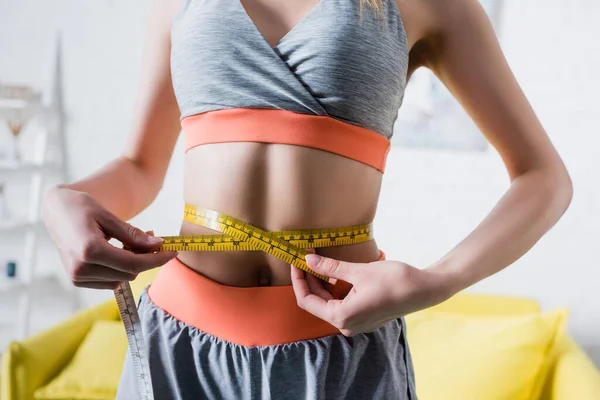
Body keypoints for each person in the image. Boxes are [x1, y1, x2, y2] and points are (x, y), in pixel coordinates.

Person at [42, 0, 573, 398]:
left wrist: (440, 281)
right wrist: (61, 201)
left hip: (338, 349)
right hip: (178, 345)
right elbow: (141, 166)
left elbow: (544, 177)